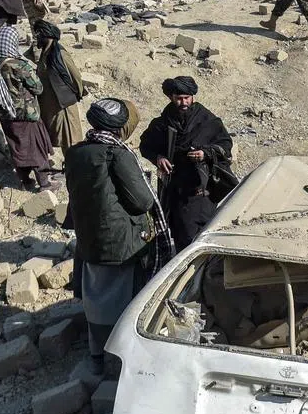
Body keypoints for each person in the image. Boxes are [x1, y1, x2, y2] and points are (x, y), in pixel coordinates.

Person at [66, 98, 174, 378]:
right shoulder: (117, 154)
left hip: (90, 238)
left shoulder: (77, 152)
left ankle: (96, 354)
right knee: (123, 300)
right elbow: (141, 200)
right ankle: (120, 358)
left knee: (96, 296)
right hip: (121, 243)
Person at [139, 77, 234, 250]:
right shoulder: (162, 123)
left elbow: (225, 144)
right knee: (182, 233)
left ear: (193, 97)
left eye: (187, 98)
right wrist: (159, 158)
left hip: (203, 190)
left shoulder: (208, 120)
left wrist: (205, 153)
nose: (183, 102)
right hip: (176, 190)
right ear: (171, 97)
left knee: (204, 234)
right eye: (179, 98)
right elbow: (145, 145)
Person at [0, 25, 55, 190]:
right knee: (35, 147)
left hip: (5, 113)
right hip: (26, 114)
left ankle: (25, 181)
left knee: (16, 146)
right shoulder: (20, 66)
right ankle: (44, 183)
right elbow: (38, 88)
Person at [31, 20, 85, 156]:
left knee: (70, 140)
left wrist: (77, 93)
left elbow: (75, 76)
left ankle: (74, 170)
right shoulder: (45, 52)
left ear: (47, 36)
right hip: (51, 106)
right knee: (59, 138)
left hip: (63, 106)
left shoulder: (60, 53)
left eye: (39, 35)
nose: (37, 38)